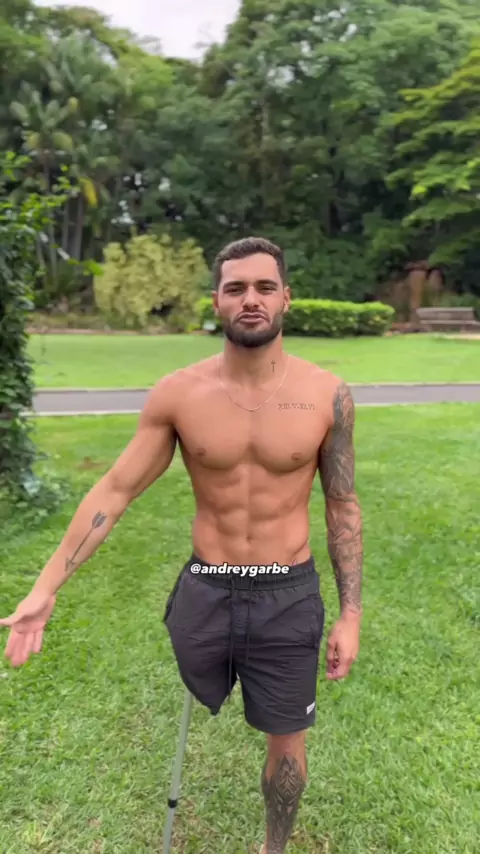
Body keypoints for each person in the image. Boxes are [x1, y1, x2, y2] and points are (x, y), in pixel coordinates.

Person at [1, 236, 363, 854]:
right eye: (235, 288)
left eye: (264, 287)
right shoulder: (179, 393)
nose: (251, 299)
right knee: (206, 686)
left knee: (287, 740)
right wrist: (45, 588)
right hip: (208, 589)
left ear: (286, 298)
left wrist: (351, 613)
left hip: (288, 593)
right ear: (216, 302)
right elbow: (115, 490)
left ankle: (273, 848)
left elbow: (342, 506)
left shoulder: (327, 394)